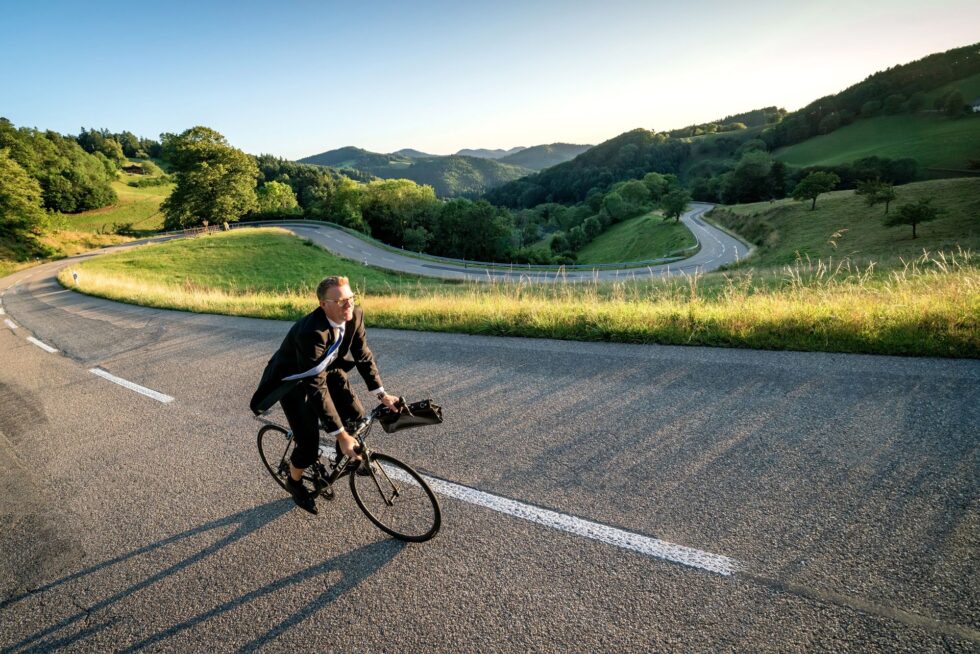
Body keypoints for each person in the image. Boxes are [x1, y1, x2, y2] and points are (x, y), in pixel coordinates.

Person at [250, 275, 399, 513]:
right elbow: (316, 388)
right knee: (308, 446)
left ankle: (347, 455)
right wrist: (340, 435)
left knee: (357, 416)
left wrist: (383, 394)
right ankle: (295, 481)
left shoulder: (355, 315)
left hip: (327, 368)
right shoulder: (311, 333)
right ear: (323, 304)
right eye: (341, 301)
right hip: (297, 382)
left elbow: (362, 355)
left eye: (350, 298)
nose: (348, 304)